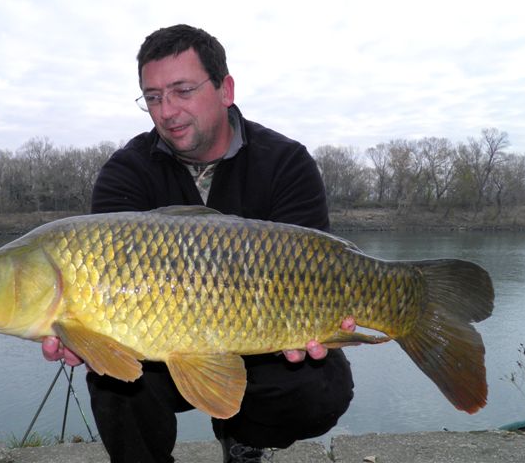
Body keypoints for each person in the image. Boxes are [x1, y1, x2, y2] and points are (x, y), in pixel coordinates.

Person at [42, 24, 354, 463]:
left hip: (263, 342)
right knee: (112, 379)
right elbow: (100, 283)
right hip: (157, 351)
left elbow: (315, 266)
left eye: (182, 90)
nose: (167, 111)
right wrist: (83, 335)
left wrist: (315, 323)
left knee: (319, 387)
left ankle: (242, 436)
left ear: (225, 89)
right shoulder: (125, 172)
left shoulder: (286, 163)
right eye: (152, 97)